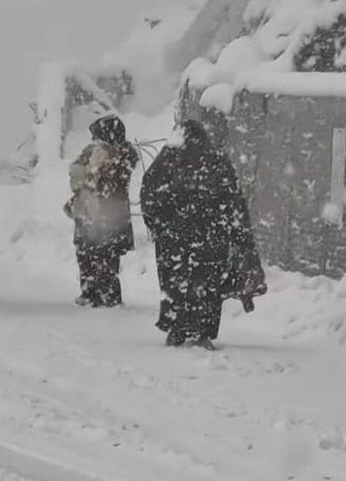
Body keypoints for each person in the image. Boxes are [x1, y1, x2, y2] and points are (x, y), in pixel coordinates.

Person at [140, 120, 267, 350]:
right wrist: (235, 232)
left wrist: (160, 225)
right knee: (207, 284)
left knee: (175, 281)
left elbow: (149, 192)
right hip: (210, 236)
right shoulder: (215, 159)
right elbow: (233, 200)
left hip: (174, 238)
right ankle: (202, 330)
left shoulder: (168, 158)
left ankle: (176, 328)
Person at [64, 115, 138, 307]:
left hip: (106, 212)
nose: (93, 140)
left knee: (102, 254)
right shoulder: (107, 153)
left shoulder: (118, 155)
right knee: (91, 253)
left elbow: (103, 181)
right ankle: (93, 291)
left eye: (97, 136)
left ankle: (105, 294)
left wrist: (92, 176)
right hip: (101, 211)